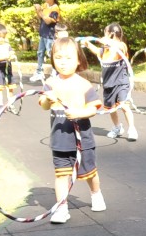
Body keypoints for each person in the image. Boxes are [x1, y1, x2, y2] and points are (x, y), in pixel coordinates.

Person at [38, 37, 106, 223]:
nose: (63, 62)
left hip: (82, 138)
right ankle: (62, 208)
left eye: (68, 58)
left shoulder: (83, 84)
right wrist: (48, 99)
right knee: (61, 175)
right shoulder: (51, 83)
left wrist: (79, 113)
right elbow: (43, 105)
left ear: (78, 60)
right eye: (58, 58)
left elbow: (93, 108)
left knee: (89, 172)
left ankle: (96, 193)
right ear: (53, 59)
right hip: (60, 138)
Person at [99, 23, 138, 141]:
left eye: (105, 33)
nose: (104, 35)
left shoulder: (121, 45)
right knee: (111, 108)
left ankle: (132, 129)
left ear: (111, 34)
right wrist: (87, 44)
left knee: (124, 105)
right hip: (108, 83)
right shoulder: (105, 49)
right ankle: (117, 127)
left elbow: (120, 47)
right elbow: (97, 51)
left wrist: (107, 41)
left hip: (121, 82)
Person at [30, 0, 60, 83]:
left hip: (50, 35)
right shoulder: (45, 5)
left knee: (51, 54)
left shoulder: (55, 8)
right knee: (40, 53)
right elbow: (40, 17)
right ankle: (39, 72)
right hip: (43, 34)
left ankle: (55, 72)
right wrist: (37, 10)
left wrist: (40, 12)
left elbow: (48, 21)